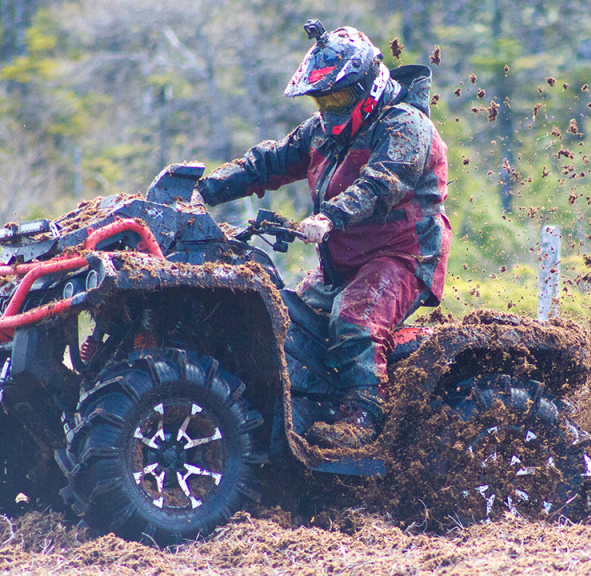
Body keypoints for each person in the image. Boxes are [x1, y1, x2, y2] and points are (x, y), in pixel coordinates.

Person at [192, 20, 450, 450]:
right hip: (344, 261)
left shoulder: (406, 126)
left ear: (369, 84)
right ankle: (298, 415)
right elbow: (266, 164)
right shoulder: (320, 131)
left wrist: (330, 217)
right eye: (322, 97)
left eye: (339, 96)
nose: (330, 106)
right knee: (284, 317)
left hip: (403, 255)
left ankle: (361, 419)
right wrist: (203, 191)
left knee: (355, 319)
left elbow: (381, 184)